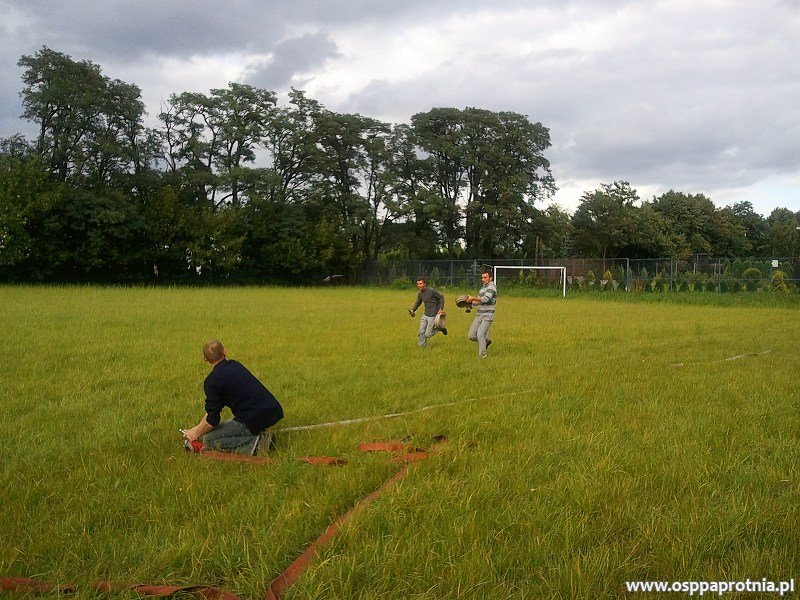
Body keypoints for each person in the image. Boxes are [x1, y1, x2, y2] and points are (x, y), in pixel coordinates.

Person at [182, 340, 284, 455]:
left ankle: (257, 443)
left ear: (204, 358)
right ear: (224, 351)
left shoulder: (212, 381)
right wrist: (196, 429)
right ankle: (259, 435)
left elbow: (212, 421)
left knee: (208, 439)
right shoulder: (235, 365)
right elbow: (212, 411)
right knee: (210, 433)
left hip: (252, 419)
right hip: (273, 411)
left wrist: (195, 433)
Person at [408, 277, 447, 348]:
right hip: (425, 315)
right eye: (417, 284)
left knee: (428, 334)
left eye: (420, 284)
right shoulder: (420, 293)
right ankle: (423, 347)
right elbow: (418, 302)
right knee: (421, 332)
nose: (419, 285)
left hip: (433, 315)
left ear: (425, 284)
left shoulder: (431, 291)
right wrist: (413, 310)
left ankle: (440, 328)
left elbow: (441, 297)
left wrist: (441, 309)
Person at [467, 269, 497, 358]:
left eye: (485, 277)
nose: (483, 279)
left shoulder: (492, 287)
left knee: (480, 334)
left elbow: (486, 299)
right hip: (479, 314)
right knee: (471, 335)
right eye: (482, 277)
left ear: (490, 278)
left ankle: (483, 357)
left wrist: (473, 298)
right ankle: (486, 341)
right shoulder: (482, 288)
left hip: (488, 315)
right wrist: (469, 304)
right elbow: (478, 302)